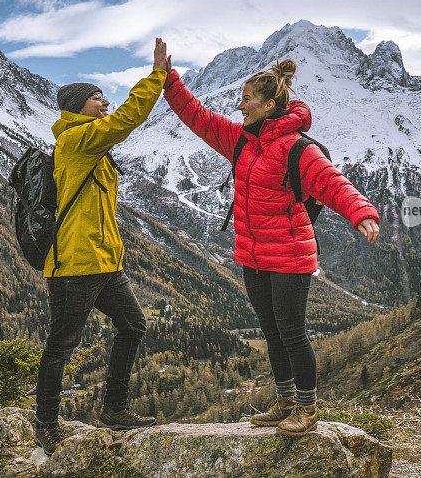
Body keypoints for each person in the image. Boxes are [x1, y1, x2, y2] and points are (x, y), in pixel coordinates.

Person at [162, 58, 380, 437]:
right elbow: (198, 117)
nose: (239, 106)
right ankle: (284, 402)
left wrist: (360, 211)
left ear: (267, 105)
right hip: (253, 255)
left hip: (291, 254)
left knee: (292, 332)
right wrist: (169, 79)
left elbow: (332, 183)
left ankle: (307, 407)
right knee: (272, 331)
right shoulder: (242, 140)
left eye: (246, 99)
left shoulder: (296, 148)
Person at [34, 39, 171, 456]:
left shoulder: (90, 142)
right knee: (61, 346)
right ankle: (46, 425)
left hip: (104, 261)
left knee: (133, 325)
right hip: (75, 264)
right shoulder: (78, 140)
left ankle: (113, 409)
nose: (104, 101)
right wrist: (157, 76)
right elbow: (128, 118)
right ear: (78, 107)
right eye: (97, 98)